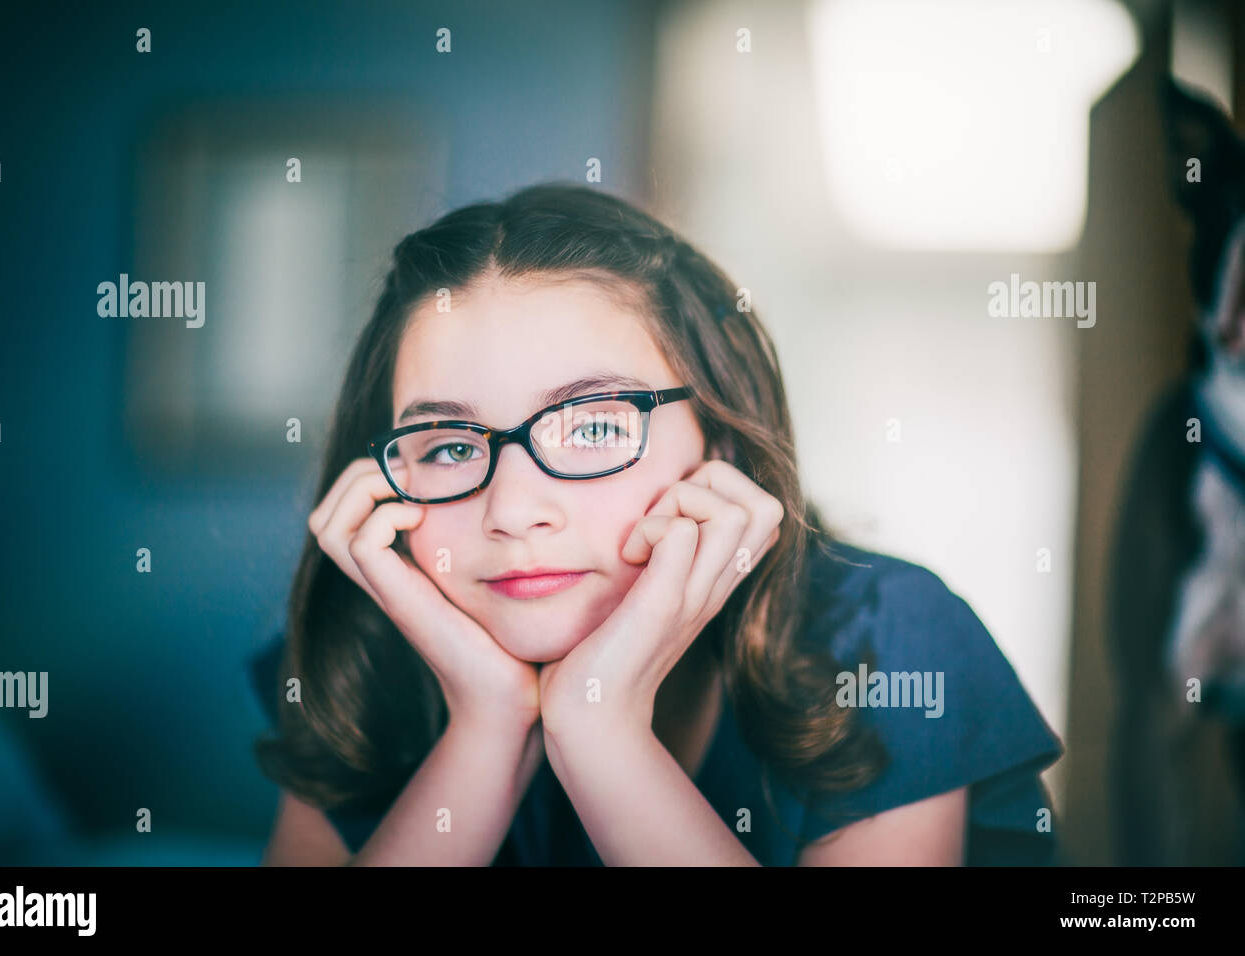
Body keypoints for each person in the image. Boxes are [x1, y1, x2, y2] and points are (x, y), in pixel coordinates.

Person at [248, 182, 1063, 866]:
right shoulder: (358, 652)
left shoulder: (888, 640)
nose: (514, 511)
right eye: (452, 445)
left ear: (723, 442)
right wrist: (485, 725)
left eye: (596, 426)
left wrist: (601, 732)